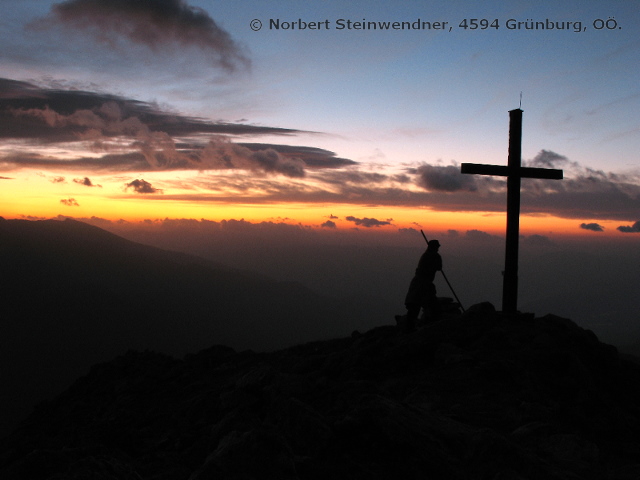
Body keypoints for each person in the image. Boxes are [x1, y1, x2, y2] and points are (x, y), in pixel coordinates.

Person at [397, 239, 442, 331]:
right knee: (417, 306)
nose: (438, 249)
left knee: (419, 305)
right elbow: (438, 267)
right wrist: (437, 258)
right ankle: (410, 328)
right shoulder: (430, 256)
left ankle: (412, 327)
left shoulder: (428, 256)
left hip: (421, 284)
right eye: (437, 247)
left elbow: (438, 267)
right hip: (422, 284)